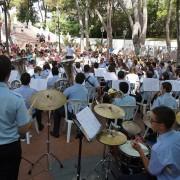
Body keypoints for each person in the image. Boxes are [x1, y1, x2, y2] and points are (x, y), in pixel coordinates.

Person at [0, 55, 31, 180]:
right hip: (9, 148)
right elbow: (23, 130)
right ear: (9, 74)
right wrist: (28, 118)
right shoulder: (16, 99)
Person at [132, 106, 180, 180]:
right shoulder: (178, 135)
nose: (149, 122)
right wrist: (144, 144)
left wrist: (140, 150)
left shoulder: (159, 148)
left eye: (152, 120)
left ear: (161, 126)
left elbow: (151, 171)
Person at [51, 73, 88, 138]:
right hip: (82, 114)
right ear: (83, 81)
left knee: (57, 110)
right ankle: (79, 129)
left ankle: (55, 132)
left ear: (75, 79)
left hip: (71, 114)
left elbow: (61, 98)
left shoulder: (70, 89)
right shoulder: (86, 90)